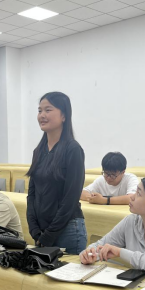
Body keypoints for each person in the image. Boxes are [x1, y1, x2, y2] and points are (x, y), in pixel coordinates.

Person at [26, 92, 87, 255]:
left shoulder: (73, 149)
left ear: (64, 116)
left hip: (68, 231)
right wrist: (34, 228)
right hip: (42, 231)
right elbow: (32, 194)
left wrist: (49, 234)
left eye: (48, 110)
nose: (42, 115)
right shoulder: (38, 151)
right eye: (39, 110)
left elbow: (70, 199)